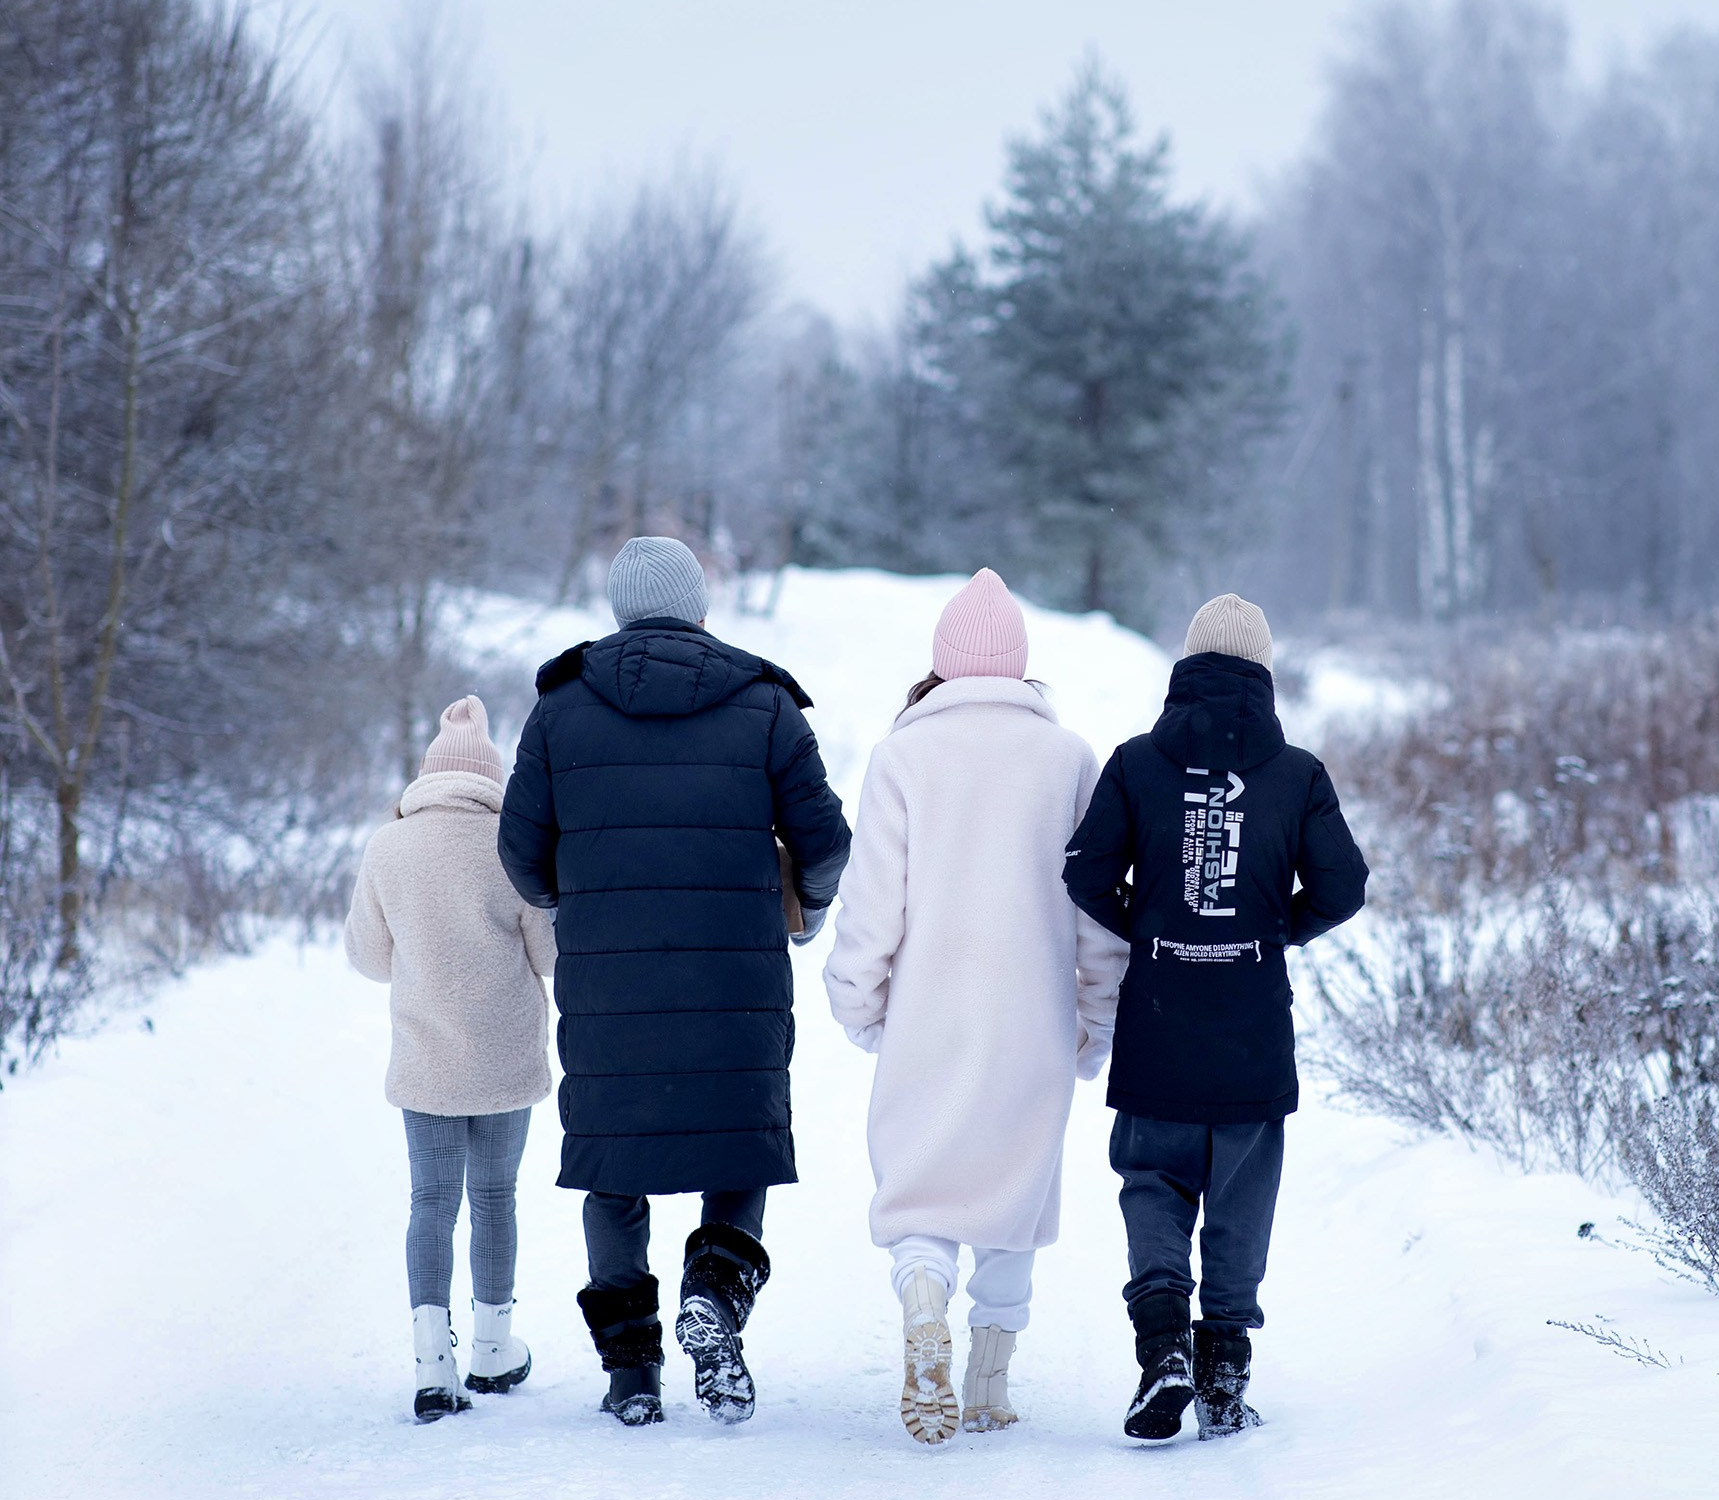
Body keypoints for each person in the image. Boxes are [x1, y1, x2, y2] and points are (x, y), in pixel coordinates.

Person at [498, 537, 850, 1427]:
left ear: (617, 608)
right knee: (736, 1143)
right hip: (736, 983)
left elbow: (519, 853)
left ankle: (631, 1376)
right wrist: (801, 901)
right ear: (700, 608)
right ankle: (716, 1298)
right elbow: (828, 839)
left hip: (608, 986)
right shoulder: (766, 702)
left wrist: (572, 894)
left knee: (615, 1168)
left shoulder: (560, 709)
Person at [825, 569, 1128, 1445]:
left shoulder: (903, 755)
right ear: (1019, 666)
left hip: (929, 1013)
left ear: (940, 667)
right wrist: (1094, 1016)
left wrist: (860, 1002)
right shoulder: (1069, 758)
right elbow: (1097, 906)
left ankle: (924, 1305)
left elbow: (874, 903)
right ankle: (989, 1381)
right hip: (1032, 1017)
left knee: (923, 1192)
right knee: (1015, 1196)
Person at [1063, 593, 1367, 1442]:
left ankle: (1162, 1352)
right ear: (1264, 675)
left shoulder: (1135, 762)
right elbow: (1345, 887)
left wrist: (1152, 922)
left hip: (1160, 1011)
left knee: (1152, 1181)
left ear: (1185, 669)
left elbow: (1085, 873)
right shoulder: (1297, 772)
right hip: (1252, 1023)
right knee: (1241, 1196)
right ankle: (1224, 1378)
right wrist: (1274, 930)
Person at [344, 695, 556, 1422]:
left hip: (427, 1056)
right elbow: (550, 955)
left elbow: (369, 958)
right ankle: (494, 1350)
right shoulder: (513, 845)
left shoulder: (387, 846)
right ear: (490, 778)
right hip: (503, 1057)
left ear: (430, 776)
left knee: (430, 1204)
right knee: (496, 1199)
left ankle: (433, 1364)